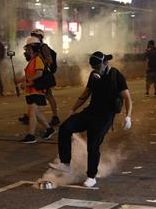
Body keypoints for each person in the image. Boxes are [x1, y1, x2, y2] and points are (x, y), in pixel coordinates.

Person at [49, 51, 132, 188]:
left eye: (98, 66)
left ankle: (91, 176)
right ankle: (65, 163)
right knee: (65, 128)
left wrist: (128, 116)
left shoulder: (116, 76)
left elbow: (127, 98)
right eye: (93, 67)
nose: (96, 70)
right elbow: (85, 94)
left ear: (105, 63)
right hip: (90, 112)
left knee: (92, 145)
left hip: (105, 116)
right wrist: (73, 109)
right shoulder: (93, 76)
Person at [16, 36, 56, 143]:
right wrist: (19, 80)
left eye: (28, 49)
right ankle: (49, 129)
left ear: (33, 49)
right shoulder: (32, 61)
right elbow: (31, 74)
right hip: (31, 90)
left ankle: (31, 135)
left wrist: (26, 81)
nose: (26, 52)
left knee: (33, 112)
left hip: (37, 90)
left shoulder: (38, 59)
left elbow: (39, 74)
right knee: (34, 113)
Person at [18, 29, 60, 126]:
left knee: (47, 95)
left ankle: (54, 117)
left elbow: (49, 61)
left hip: (43, 74)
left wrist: (39, 62)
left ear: (41, 37)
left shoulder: (43, 47)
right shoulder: (34, 47)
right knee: (38, 95)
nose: (33, 36)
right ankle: (31, 115)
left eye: (35, 35)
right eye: (32, 34)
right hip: (40, 73)